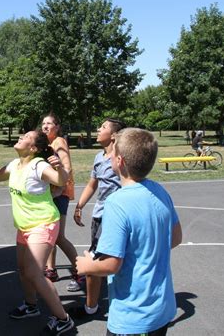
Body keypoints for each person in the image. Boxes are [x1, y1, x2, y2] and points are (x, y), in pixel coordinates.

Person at [76, 128, 182, 336]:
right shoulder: (160, 190)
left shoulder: (116, 202)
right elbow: (176, 237)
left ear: (120, 161)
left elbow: (111, 264)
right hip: (162, 308)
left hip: (133, 314)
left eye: (113, 154)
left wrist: (87, 265)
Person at [0, 129, 75, 335]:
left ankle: (63, 319)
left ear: (33, 148)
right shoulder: (15, 164)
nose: (21, 136)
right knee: (23, 270)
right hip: (24, 226)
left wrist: (61, 169)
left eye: (26, 137)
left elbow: (60, 180)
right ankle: (31, 306)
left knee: (34, 273)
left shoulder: (39, 165)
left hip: (43, 223)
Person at [69, 118, 126, 319]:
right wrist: (80, 205)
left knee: (95, 262)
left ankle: (92, 308)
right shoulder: (98, 157)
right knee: (100, 260)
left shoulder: (120, 158)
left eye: (102, 127)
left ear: (113, 135)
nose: (97, 129)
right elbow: (93, 184)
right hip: (99, 216)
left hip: (114, 218)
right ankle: (94, 305)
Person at [42, 113, 83, 292]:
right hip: (51, 193)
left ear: (57, 126)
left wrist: (59, 189)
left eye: (49, 123)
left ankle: (79, 271)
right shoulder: (48, 144)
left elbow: (67, 167)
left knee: (58, 236)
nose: (45, 126)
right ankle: (51, 270)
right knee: (52, 234)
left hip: (60, 193)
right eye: (43, 123)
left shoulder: (59, 142)